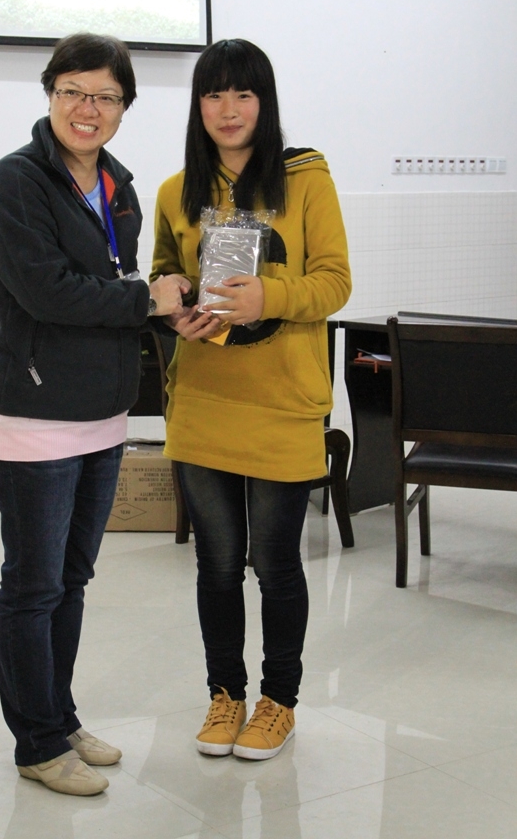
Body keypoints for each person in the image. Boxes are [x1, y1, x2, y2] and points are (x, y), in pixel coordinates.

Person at [0, 32, 187, 796]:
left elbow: (118, 284)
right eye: (72, 91)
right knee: (32, 586)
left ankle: (59, 718)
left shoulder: (117, 185)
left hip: (101, 410)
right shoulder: (15, 181)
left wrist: (174, 310)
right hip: (35, 414)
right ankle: (36, 744)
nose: (86, 108)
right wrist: (146, 301)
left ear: (124, 108)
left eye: (104, 96)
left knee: (71, 577)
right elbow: (48, 292)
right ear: (50, 94)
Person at [151, 38, 351, 761]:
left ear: (264, 103)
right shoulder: (176, 191)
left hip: (281, 401)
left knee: (274, 564)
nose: (228, 109)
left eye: (243, 93)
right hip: (204, 398)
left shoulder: (305, 179)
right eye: (213, 94)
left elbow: (335, 282)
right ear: (197, 105)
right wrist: (172, 303)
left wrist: (270, 296)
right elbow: (163, 272)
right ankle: (225, 695)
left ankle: (278, 703)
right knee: (215, 563)